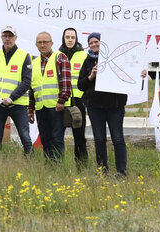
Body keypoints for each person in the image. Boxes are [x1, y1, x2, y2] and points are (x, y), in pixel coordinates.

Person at [77, 32, 144, 177]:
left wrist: (141, 74)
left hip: (115, 106)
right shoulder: (88, 61)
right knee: (99, 139)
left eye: (97, 42)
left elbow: (132, 75)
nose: (94, 44)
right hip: (95, 107)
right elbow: (80, 85)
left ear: (103, 43)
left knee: (118, 138)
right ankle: (102, 171)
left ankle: (121, 171)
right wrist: (91, 76)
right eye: (91, 43)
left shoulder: (118, 58)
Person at [0, 25, 35, 154]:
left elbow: (27, 81)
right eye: (5, 36)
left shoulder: (24, 55)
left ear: (15, 38)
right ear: (1, 37)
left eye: (10, 36)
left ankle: (31, 163)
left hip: (18, 104)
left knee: (25, 137)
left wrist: (11, 98)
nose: (7, 39)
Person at [31, 31, 73, 161]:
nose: (43, 45)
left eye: (45, 42)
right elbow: (31, 89)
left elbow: (66, 81)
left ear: (52, 43)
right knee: (45, 139)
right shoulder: (34, 62)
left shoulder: (60, 57)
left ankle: (58, 166)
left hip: (56, 107)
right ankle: (49, 165)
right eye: (40, 42)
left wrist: (62, 101)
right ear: (36, 45)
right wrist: (30, 109)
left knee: (57, 138)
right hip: (40, 107)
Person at [59, 27, 89, 165]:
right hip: (61, 101)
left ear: (76, 39)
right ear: (63, 39)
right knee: (58, 136)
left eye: (72, 37)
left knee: (79, 137)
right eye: (67, 37)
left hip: (78, 101)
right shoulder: (57, 55)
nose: (70, 40)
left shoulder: (84, 55)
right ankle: (58, 165)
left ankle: (82, 166)